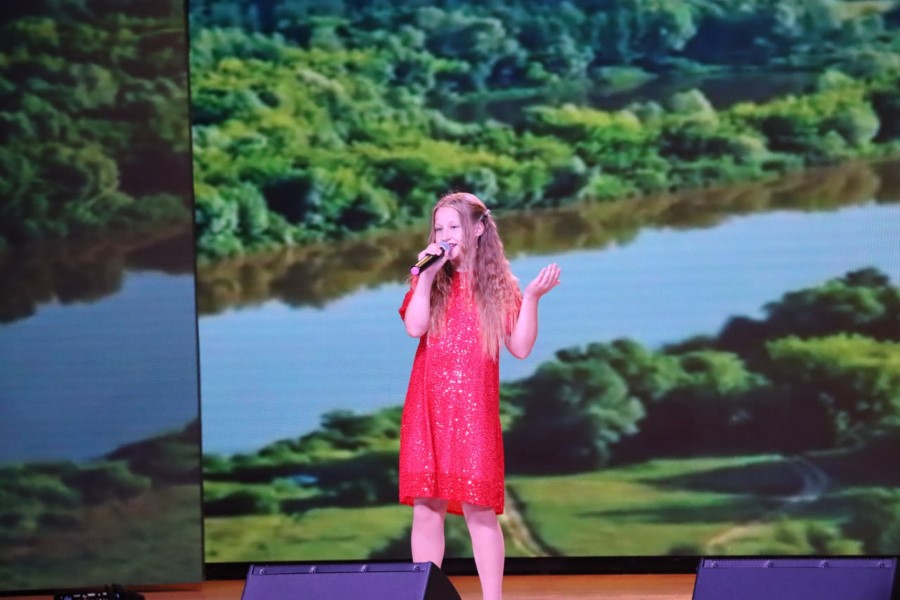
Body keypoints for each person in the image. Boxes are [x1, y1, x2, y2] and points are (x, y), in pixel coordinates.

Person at [398, 191, 560, 600]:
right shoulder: (429, 280)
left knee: (479, 508)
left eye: (454, 226)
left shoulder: (499, 287)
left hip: (474, 411)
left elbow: (520, 347)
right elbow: (415, 327)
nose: (446, 235)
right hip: (428, 405)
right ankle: (425, 594)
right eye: (439, 227)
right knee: (426, 506)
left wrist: (532, 299)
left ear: (480, 227)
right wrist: (426, 277)